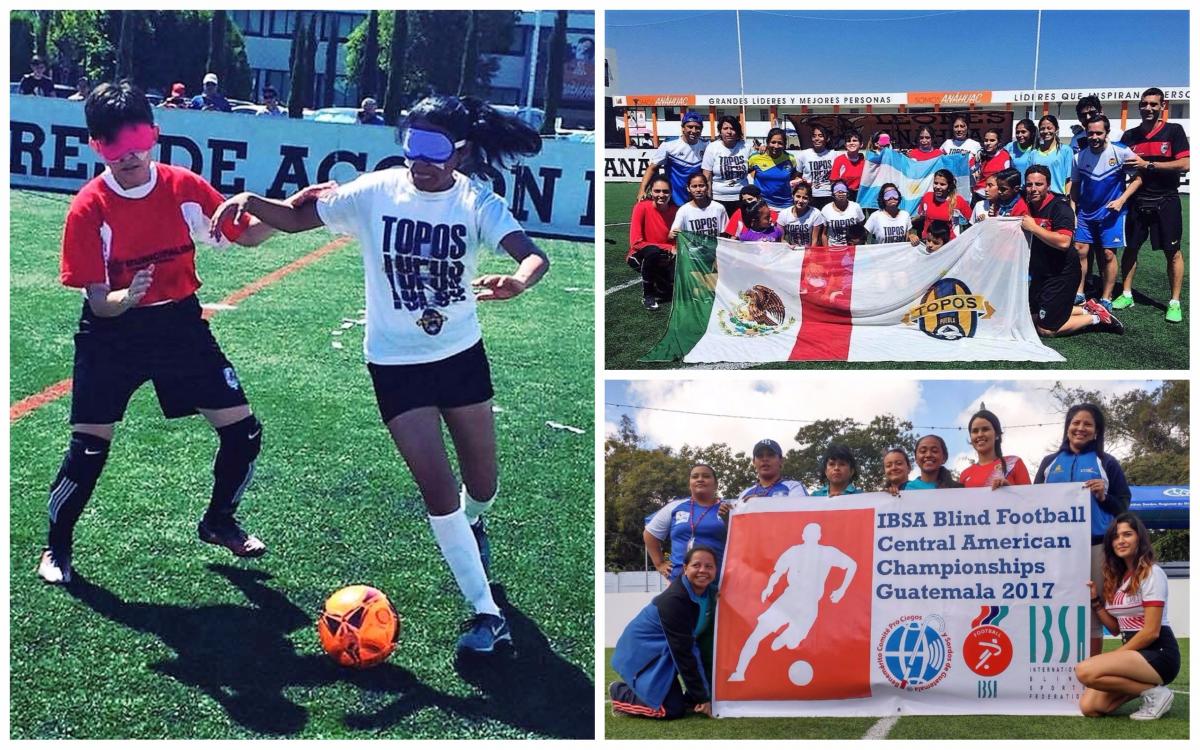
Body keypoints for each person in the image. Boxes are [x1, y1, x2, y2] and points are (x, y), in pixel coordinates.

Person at [207, 94, 550, 654]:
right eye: (412, 143)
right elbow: (296, 218)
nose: (420, 158)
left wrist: (519, 280)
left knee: (481, 486)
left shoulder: (476, 201)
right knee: (438, 491)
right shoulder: (374, 191)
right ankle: (486, 613)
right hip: (394, 365)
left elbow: (532, 255)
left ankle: (474, 526)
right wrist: (250, 199)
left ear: (460, 152)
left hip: (460, 356)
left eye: (436, 147)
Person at [36, 82, 295, 586]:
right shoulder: (89, 209)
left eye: (138, 140)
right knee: (88, 448)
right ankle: (57, 546)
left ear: (153, 135)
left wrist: (292, 212)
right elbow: (98, 303)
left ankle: (219, 522)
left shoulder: (184, 187)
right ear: (96, 145)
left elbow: (244, 237)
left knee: (244, 433)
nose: (128, 155)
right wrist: (126, 297)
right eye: (114, 145)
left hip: (179, 326)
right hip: (113, 335)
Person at [1035, 403, 1131, 657]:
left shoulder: (1106, 462)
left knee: (1092, 609)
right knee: (1052, 604)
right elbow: (1030, 502)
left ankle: (1092, 675)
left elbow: (1123, 505)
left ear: (1097, 431)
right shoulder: (1049, 462)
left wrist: (1103, 495)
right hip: (1055, 548)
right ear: (1067, 428)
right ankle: (1054, 669)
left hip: (1096, 546)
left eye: (1088, 424)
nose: (1081, 428)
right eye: (1075, 423)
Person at [1075, 512, 1179, 720]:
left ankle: (1156, 694)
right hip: (1134, 654)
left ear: (1139, 538)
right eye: (1115, 536)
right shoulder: (1119, 578)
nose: (1120, 540)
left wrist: (1115, 655)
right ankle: (1151, 691)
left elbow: (1150, 632)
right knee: (1091, 707)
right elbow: (1116, 628)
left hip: (1158, 652)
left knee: (1085, 671)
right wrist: (1096, 601)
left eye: (1127, 534)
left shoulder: (1151, 573)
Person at [727, 522, 856, 682]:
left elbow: (852, 565)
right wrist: (769, 587)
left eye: (814, 533)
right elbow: (777, 572)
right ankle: (739, 673)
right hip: (788, 600)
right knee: (757, 634)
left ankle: (786, 638)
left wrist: (841, 590)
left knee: (794, 642)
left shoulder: (827, 553)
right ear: (803, 536)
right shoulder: (793, 552)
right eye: (808, 533)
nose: (811, 537)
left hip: (809, 604)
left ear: (819, 536)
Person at [611, 545, 717, 720]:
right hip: (644, 654)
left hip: (667, 654)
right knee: (671, 710)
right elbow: (684, 653)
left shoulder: (712, 593)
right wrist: (702, 697)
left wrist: (700, 694)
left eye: (709, 566)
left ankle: (689, 697)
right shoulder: (674, 600)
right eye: (696, 565)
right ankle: (619, 692)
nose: (703, 570)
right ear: (685, 568)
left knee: (698, 697)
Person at [1022, 165, 1123, 336]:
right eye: (1029, 184)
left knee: (1045, 329)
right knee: (1029, 318)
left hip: (1062, 273)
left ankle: (1096, 317)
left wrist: (1034, 228)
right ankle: (1084, 309)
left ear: (1048, 185)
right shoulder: (1027, 205)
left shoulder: (1060, 208)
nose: (1033, 189)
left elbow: (1064, 242)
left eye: (1039, 184)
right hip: (1042, 272)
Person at [1117, 87, 1191, 322]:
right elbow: (1118, 164)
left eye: (1153, 104)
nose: (1148, 108)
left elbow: (1185, 164)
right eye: (1144, 104)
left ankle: (1174, 302)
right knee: (1131, 248)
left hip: (1166, 199)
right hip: (1138, 198)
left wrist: (1149, 165)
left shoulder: (1174, 131)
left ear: (1162, 107)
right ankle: (1127, 293)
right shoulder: (1130, 136)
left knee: (1173, 251)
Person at [1070, 114, 1142, 309]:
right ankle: (1079, 293)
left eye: (1098, 133)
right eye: (1090, 133)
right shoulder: (1079, 157)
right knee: (1080, 251)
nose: (1094, 137)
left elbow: (1138, 179)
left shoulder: (1121, 152)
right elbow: (1075, 186)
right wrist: (1073, 210)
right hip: (1085, 213)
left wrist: (1121, 200)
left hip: (1111, 214)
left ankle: (1106, 297)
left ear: (1107, 133)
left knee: (1109, 254)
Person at [643, 464, 726, 582]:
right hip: (680, 582)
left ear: (716, 484)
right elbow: (650, 534)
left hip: (719, 583)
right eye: (695, 476)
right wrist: (660, 564)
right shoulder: (675, 507)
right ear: (690, 483)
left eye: (706, 476)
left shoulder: (728, 508)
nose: (700, 479)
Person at [628, 175, 678, 310]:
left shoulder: (676, 211)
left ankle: (662, 283)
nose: (661, 195)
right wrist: (669, 247)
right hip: (640, 255)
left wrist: (674, 248)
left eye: (665, 191)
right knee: (653, 252)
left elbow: (678, 239)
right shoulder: (641, 207)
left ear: (671, 193)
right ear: (651, 191)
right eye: (657, 191)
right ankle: (648, 295)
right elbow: (636, 243)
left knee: (669, 291)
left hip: (666, 257)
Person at [637, 110, 706, 208]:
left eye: (697, 128)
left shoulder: (706, 145)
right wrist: (642, 190)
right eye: (690, 127)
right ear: (683, 128)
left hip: (697, 199)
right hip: (673, 200)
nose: (694, 131)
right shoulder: (669, 145)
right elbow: (652, 168)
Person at [957, 409, 1031, 489]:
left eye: (985, 429)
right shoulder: (964, 475)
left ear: (997, 434)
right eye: (975, 431)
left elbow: (1030, 498)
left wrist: (1009, 491)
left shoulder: (1014, 463)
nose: (980, 434)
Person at [702, 115, 754, 216]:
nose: (729, 132)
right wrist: (707, 199)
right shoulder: (712, 148)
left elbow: (755, 168)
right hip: (718, 199)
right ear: (720, 131)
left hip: (742, 198)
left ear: (737, 131)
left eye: (732, 129)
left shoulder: (746, 147)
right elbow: (707, 176)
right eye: (725, 128)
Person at [748, 128, 800, 210]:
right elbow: (743, 175)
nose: (776, 146)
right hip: (762, 206)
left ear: (785, 144)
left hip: (785, 206)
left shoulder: (791, 159)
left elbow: (794, 177)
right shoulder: (755, 158)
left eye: (780, 143)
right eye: (773, 142)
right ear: (767, 142)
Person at [912, 169, 970, 240]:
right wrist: (907, 222)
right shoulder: (927, 197)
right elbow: (921, 216)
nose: (938, 187)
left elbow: (972, 219)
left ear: (949, 186)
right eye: (935, 183)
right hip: (928, 242)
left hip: (948, 243)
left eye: (942, 184)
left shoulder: (958, 200)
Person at [670, 172, 728, 241]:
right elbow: (671, 235)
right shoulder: (683, 210)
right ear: (688, 188)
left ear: (707, 187)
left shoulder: (719, 208)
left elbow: (724, 234)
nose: (698, 190)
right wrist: (673, 234)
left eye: (701, 186)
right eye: (694, 186)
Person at [797, 124, 842, 209]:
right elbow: (797, 176)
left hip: (829, 195)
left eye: (820, 136)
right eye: (814, 136)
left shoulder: (834, 154)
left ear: (827, 138)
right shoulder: (803, 155)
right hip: (810, 196)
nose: (817, 139)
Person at [1030, 115, 1073, 197]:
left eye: (1049, 128)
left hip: (1058, 197)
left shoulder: (1065, 150)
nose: (1046, 131)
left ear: (1056, 129)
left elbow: (1069, 179)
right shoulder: (1034, 154)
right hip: (1038, 197)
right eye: (1042, 129)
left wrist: (1067, 198)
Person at [778, 182, 826, 247]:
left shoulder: (816, 213)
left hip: (808, 252)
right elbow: (781, 239)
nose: (800, 201)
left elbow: (815, 240)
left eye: (805, 198)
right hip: (791, 251)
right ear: (793, 196)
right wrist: (788, 247)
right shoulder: (783, 214)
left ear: (810, 199)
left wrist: (810, 255)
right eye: (798, 196)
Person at [974, 128, 1012, 200]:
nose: (988, 143)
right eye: (986, 140)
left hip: (997, 196)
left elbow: (1007, 178)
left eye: (992, 140)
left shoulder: (1004, 156)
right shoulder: (980, 155)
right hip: (979, 195)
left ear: (998, 142)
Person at [821, 181, 864, 245]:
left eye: (843, 190)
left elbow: (861, 229)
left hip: (852, 248)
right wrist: (826, 251)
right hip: (833, 248)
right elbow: (824, 234)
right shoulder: (826, 209)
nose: (840, 193)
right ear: (833, 193)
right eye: (837, 190)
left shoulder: (856, 207)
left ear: (847, 192)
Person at [830, 130, 866, 202]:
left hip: (861, 197)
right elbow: (833, 181)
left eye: (855, 141)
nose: (851, 143)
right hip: (844, 196)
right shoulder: (839, 160)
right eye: (848, 141)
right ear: (845, 145)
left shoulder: (865, 161)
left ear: (861, 144)